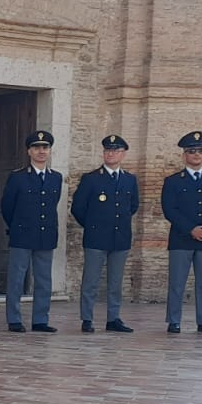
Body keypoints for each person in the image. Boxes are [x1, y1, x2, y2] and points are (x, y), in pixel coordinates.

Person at [161, 129, 202, 334]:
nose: (196, 155)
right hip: (182, 238)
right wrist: (191, 229)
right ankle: (174, 320)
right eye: (192, 151)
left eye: (200, 151)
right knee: (177, 283)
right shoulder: (173, 181)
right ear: (184, 155)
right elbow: (169, 209)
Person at [71, 134, 139, 334]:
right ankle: (87, 318)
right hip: (96, 237)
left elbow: (133, 206)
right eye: (108, 150)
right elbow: (78, 208)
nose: (111, 154)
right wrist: (92, 225)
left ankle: (113, 318)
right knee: (91, 281)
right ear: (103, 153)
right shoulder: (91, 179)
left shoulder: (129, 179)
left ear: (123, 154)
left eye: (116, 151)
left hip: (120, 237)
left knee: (116, 282)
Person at [1, 129, 62, 333]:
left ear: (50, 151)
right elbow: (7, 207)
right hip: (22, 234)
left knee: (44, 280)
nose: (41, 151)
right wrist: (17, 225)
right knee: (17, 279)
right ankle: (14, 319)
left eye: (45, 147)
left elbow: (53, 204)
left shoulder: (56, 178)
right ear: (29, 151)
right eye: (36, 147)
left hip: (46, 235)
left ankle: (40, 320)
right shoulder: (18, 177)